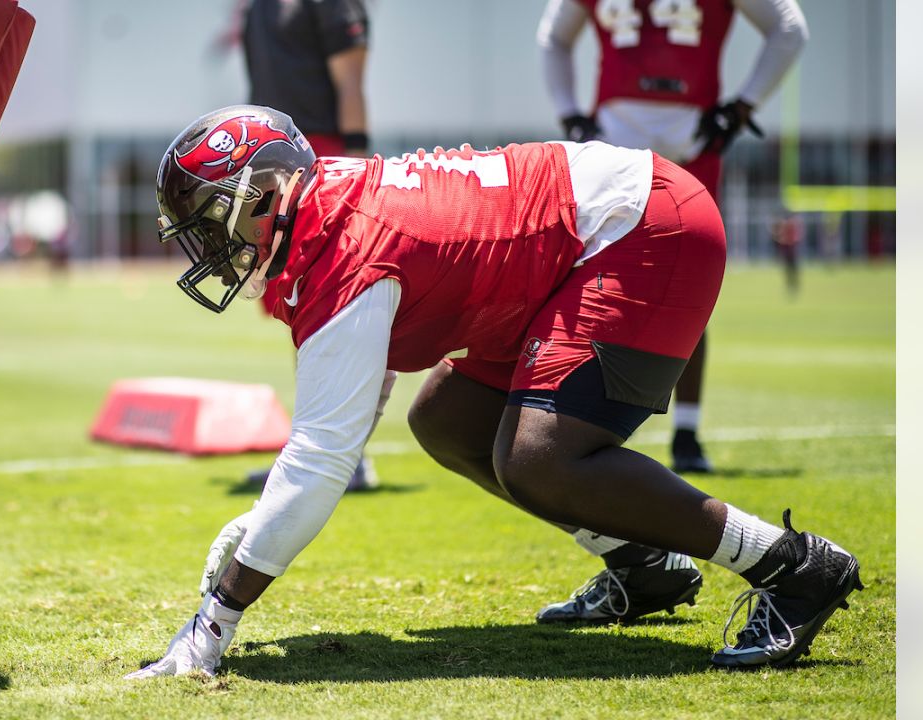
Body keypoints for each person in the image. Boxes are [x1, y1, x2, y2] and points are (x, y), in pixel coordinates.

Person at [125, 105, 861, 679]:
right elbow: (355, 394)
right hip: (583, 236)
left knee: (542, 457)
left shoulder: (343, 249)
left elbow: (324, 455)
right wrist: (263, 519)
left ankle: (794, 566)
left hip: (639, 226)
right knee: (448, 419)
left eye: (210, 222)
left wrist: (214, 622)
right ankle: (644, 567)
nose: (208, 250)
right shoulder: (327, 208)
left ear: (261, 193)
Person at [532, 0, 808, 627]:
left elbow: (553, 37)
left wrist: (573, 111)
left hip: (622, 124)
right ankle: (640, 430)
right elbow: (789, 28)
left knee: (668, 286)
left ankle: (654, 430)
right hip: (672, 127)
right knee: (642, 284)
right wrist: (744, 105)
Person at [240, 0, 379, 490]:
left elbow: (350, 81)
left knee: (330, 308)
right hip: (270, 158)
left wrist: (355, 164)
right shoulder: (257, 7)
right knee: (295, 308)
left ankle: (344, 457)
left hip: (321, 156)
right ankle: (315, 449)